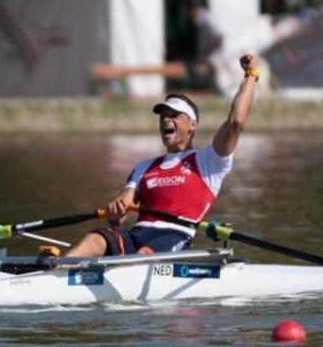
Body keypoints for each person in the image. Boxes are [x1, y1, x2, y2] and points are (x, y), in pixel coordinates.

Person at [65, 54, 260, 257]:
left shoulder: (208, 162)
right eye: (163, 115)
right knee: (94, 239)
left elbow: (235, 123)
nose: (166, 119)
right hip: (136, 234)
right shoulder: (144, 167)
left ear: (192, 124)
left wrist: (251, 74)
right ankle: (57, 269)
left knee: (142, 255)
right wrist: (116, 213)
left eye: (174, 115)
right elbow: (120, 213)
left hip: (173, 236)